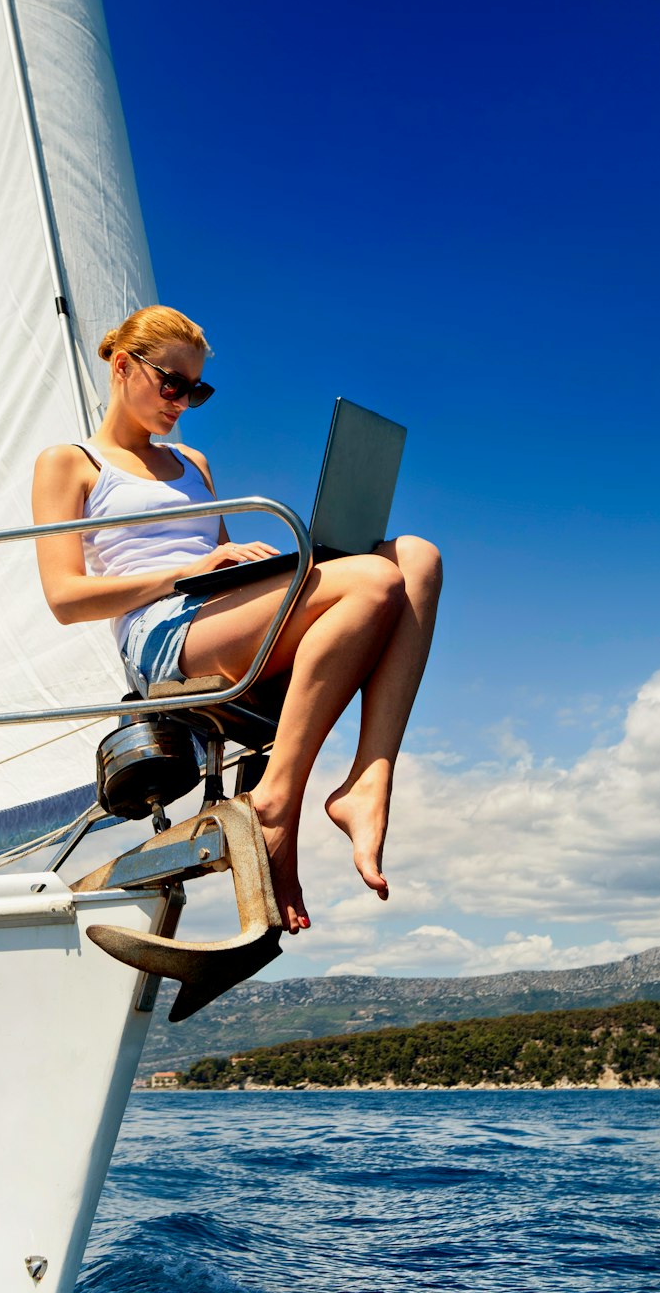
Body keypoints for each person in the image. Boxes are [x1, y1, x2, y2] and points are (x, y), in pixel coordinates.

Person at [32, 305, 441, 935]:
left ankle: (368, 778)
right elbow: (65, 597)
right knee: (376, 577)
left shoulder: (194, 464)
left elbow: (218, 563)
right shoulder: (72, 462)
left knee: (415, 557)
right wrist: (191, 572)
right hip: (161, 632)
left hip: (214, 609)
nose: (183, 402)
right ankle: (279, 801)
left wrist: (249, 566)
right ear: (122, 366)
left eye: (197, 390)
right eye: (173, 383)